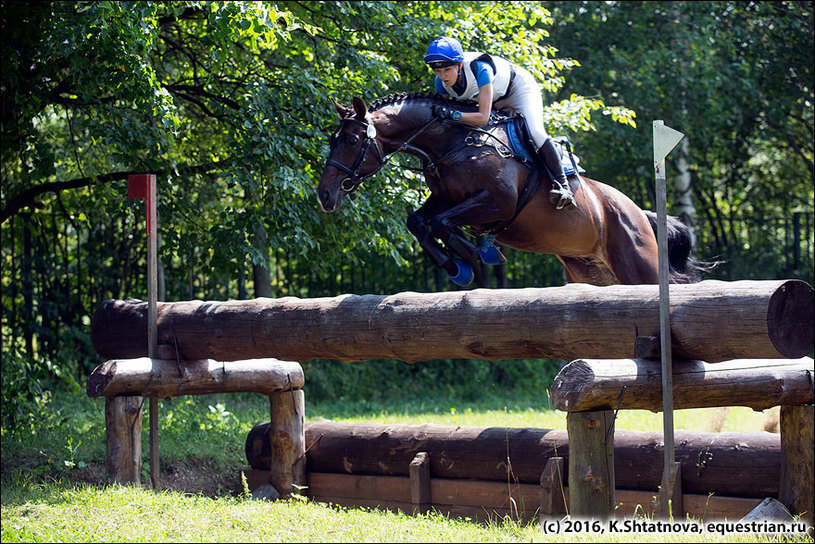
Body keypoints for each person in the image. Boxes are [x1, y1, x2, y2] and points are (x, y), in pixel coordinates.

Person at [423, 36, 576, 210]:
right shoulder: (441, 83)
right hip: (491, 99)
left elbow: (482, 118)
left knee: (535, 132)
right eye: (438, 71)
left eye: (447, 70)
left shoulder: (480, 68)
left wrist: (454, 115)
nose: (443, 76)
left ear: (459, 65)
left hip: (518, 90)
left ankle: (563, 185)